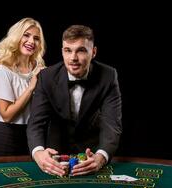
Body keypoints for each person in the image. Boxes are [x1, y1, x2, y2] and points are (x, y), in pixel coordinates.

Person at [26, 25, 122, 176]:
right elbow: (36, 123)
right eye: (68, 50)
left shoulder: (108, 76)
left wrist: (101, 157)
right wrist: (38, 153)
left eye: (81, 50)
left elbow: (112, 124)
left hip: (90, 154)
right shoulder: (47, 77)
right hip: (56, 155)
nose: (73, 58)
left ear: (94, 52)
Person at [0, 17, 46, 157]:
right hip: (4, 136)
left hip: (32, 137)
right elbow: (7, 115)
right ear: (16, 37)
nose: (31, 41)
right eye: (26, 35)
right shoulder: (2, 71)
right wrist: (31, 87)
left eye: (36, 38)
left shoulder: (40, 69)